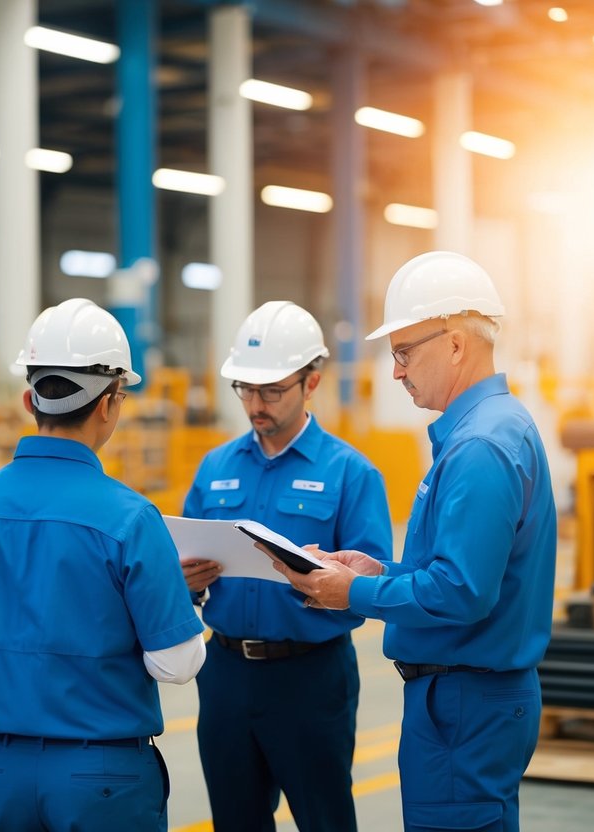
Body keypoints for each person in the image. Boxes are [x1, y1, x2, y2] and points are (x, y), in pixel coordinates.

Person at [273, 251, 557, 832]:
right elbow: (457, 571)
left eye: (404, 352)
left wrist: (352, 593)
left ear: (455, 345)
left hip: (464, 705)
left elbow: (461, 592)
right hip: (467, 701)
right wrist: (380, 573)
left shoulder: (481, 446)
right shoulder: (485, 432)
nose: (396, 371)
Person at [0, 298, 206, 832]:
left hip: (8, 773)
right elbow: (178, 662)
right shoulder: (130, 517)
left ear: (30, 398)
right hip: (105, 777)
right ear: (107, 404)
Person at [179, 301, 392, 832]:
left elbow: (375, 581)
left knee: (324, 819)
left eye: (272, 391)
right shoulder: (216, 467)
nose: (255, 403)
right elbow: (177, 565)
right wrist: (183, 584)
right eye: (246, 389)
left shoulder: (350, 473)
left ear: (311, 382)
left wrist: (323, 585)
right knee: (236, 820)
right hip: (226, 673)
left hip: (310, 676)